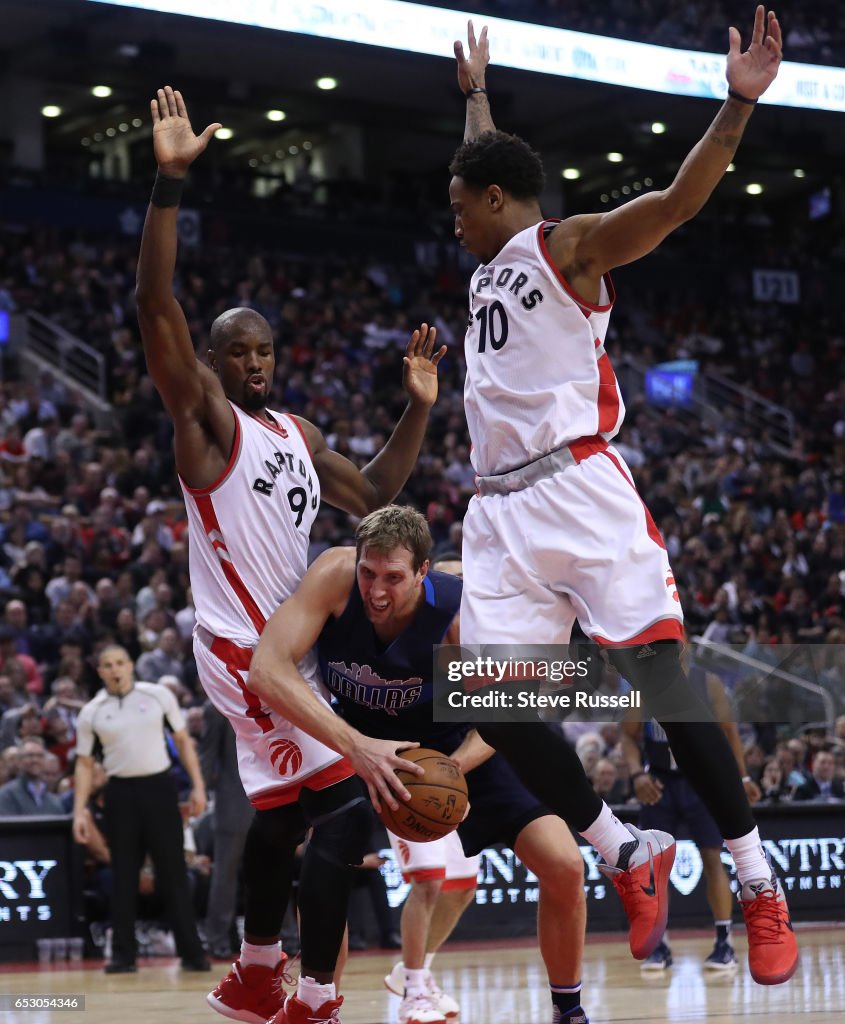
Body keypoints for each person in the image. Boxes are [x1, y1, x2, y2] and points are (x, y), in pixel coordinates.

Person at [436, 9, 797, 987]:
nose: (451, 217)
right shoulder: (488, 259)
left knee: (664, 681)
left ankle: (756, 877)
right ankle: (623, 850)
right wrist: (474, 95)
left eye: (458, 204)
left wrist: (735, 103)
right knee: (491, 703)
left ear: (497, 198)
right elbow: (483, 161)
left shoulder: (570, 246)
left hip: (576, 484)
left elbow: (678, 201)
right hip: (497, 510)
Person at [137, 87, 445, 1024]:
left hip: (295, 638)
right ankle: (310, 991)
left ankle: (255, 973)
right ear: (215, 364)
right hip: (243, 645)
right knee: (352, 794)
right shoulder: (208, 426)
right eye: (238, 352)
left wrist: (421, 405)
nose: (255, 364)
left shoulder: (296, 433)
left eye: (265, 350)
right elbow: (155, 304)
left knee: (283, 814)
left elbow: (379, 497)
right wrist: (168, 184)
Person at [246, 506, 589, 1024]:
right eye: (368, 572)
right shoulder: (335, 579)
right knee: (326, 867)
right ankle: (315, 1007)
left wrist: (444, 768)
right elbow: (266, 670)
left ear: (423, 572)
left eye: (393, 578)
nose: (376, 591)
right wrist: (358, 746)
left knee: (564, 864)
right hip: (354, 740)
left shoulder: (462, 610)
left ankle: (569, 1010)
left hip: (457, 739)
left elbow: (513, 708)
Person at [71, 645, 209, 973]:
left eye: (120, 663)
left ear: (130, 665)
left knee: (174, 872)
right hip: (120, 793)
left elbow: (183, 740)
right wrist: (79, 812)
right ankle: (123, 956)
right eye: (107, 665)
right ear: (100, 671)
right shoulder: (91, 711)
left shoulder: (158, 695)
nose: (115, 669)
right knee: (123, 875)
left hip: (160, 789)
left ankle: (192, 954)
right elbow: (85, 764)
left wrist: (198, 786)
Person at [620, 670, 761, 972]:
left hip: (702, 779)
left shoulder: (708, 683)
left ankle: (724, 942)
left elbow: (729, 731)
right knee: (653, 865)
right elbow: (627, 735)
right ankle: (659, 944)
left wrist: (744, 776)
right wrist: (637, 774)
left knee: (713, 857)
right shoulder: (642, 684)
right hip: (660, 782)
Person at [198, 701, 255, 960]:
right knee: (226, 875)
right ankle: (218, 938)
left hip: (269, 797)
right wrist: (200, 791)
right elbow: (207, 757)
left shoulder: (272, 693)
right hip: (234, 800)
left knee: (272, 871)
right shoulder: (217, 705)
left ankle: (281, 937)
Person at [0, 738, 65, 815]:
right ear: (19, 761)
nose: (35, 760)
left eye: (40, 756)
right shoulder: (6, 796)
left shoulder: (54, 801)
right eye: (30, 755)